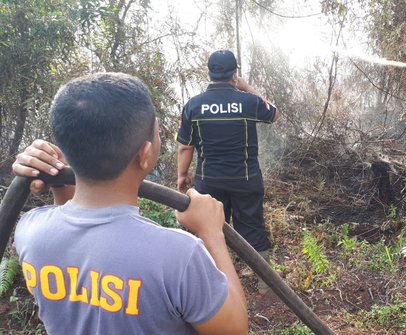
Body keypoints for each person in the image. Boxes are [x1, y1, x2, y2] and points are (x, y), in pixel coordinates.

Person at [11, 73, 248, 334]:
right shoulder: (179, 256)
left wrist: (60, 183)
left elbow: (78, 242)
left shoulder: (30, 230)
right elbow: (234, 330)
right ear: (145, 155)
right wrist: (211, 233)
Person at [177, 49, 278, 292]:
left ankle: (215, 281)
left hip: (209, 182)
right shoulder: (248, 102)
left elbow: (185, 147)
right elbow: (273, 113)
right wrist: (246, 87)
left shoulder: (194, 105)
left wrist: (182, 175)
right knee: (252, 227)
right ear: (235, 73)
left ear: (209, 73)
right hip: (246, 179)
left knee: (211, 228)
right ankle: (265, 284)